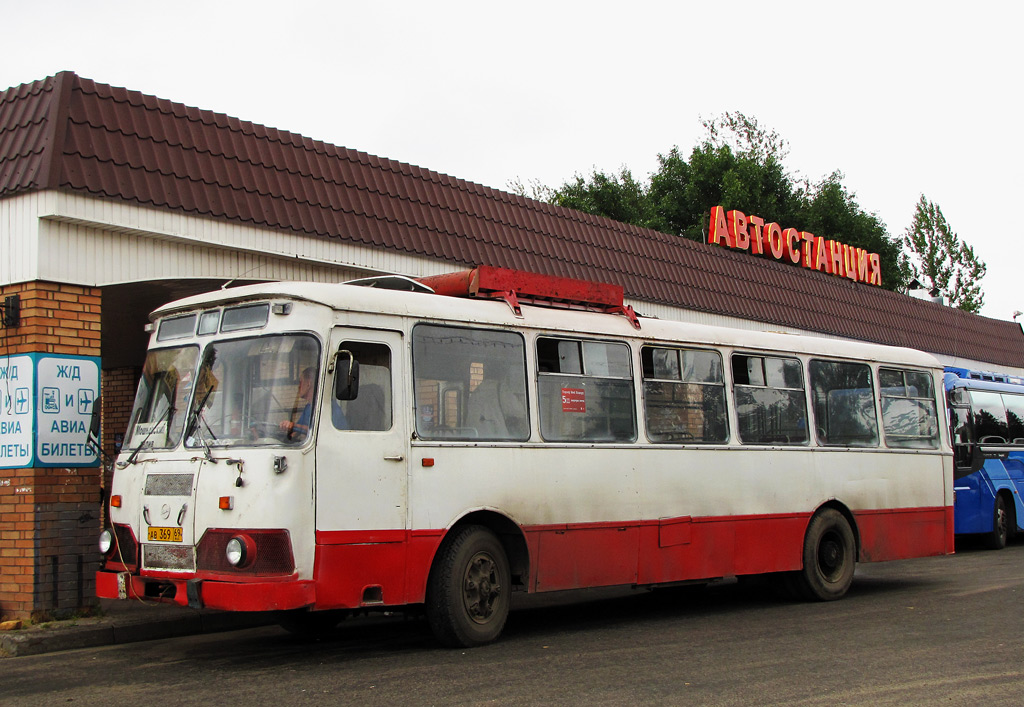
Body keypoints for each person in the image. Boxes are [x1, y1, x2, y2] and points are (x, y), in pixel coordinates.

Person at [280, 367, 315, 441]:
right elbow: (297, 431)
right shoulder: (308, 407)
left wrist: (292, 425)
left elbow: (317, 430)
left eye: (300, 382)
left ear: (308, 384)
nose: (298, 386)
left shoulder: (329, 408)